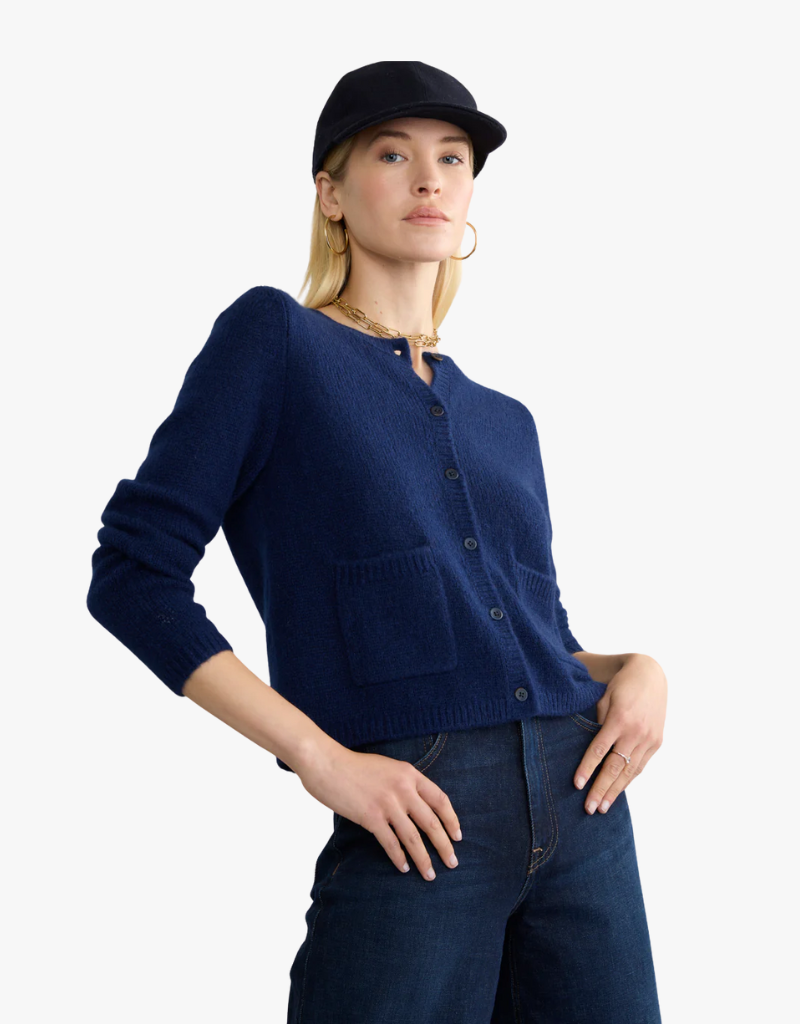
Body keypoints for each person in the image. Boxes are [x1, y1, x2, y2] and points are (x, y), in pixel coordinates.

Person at [87, 61, 665, 1023]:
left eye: (453, 158)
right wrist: (319, 757)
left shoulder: (505, 419)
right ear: (332, 194)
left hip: (585, 807)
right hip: (418, 815)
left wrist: (633, 669)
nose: (430, 178)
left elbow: (531, 640)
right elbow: (131, 573)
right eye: (393, 155)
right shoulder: (277, 341)